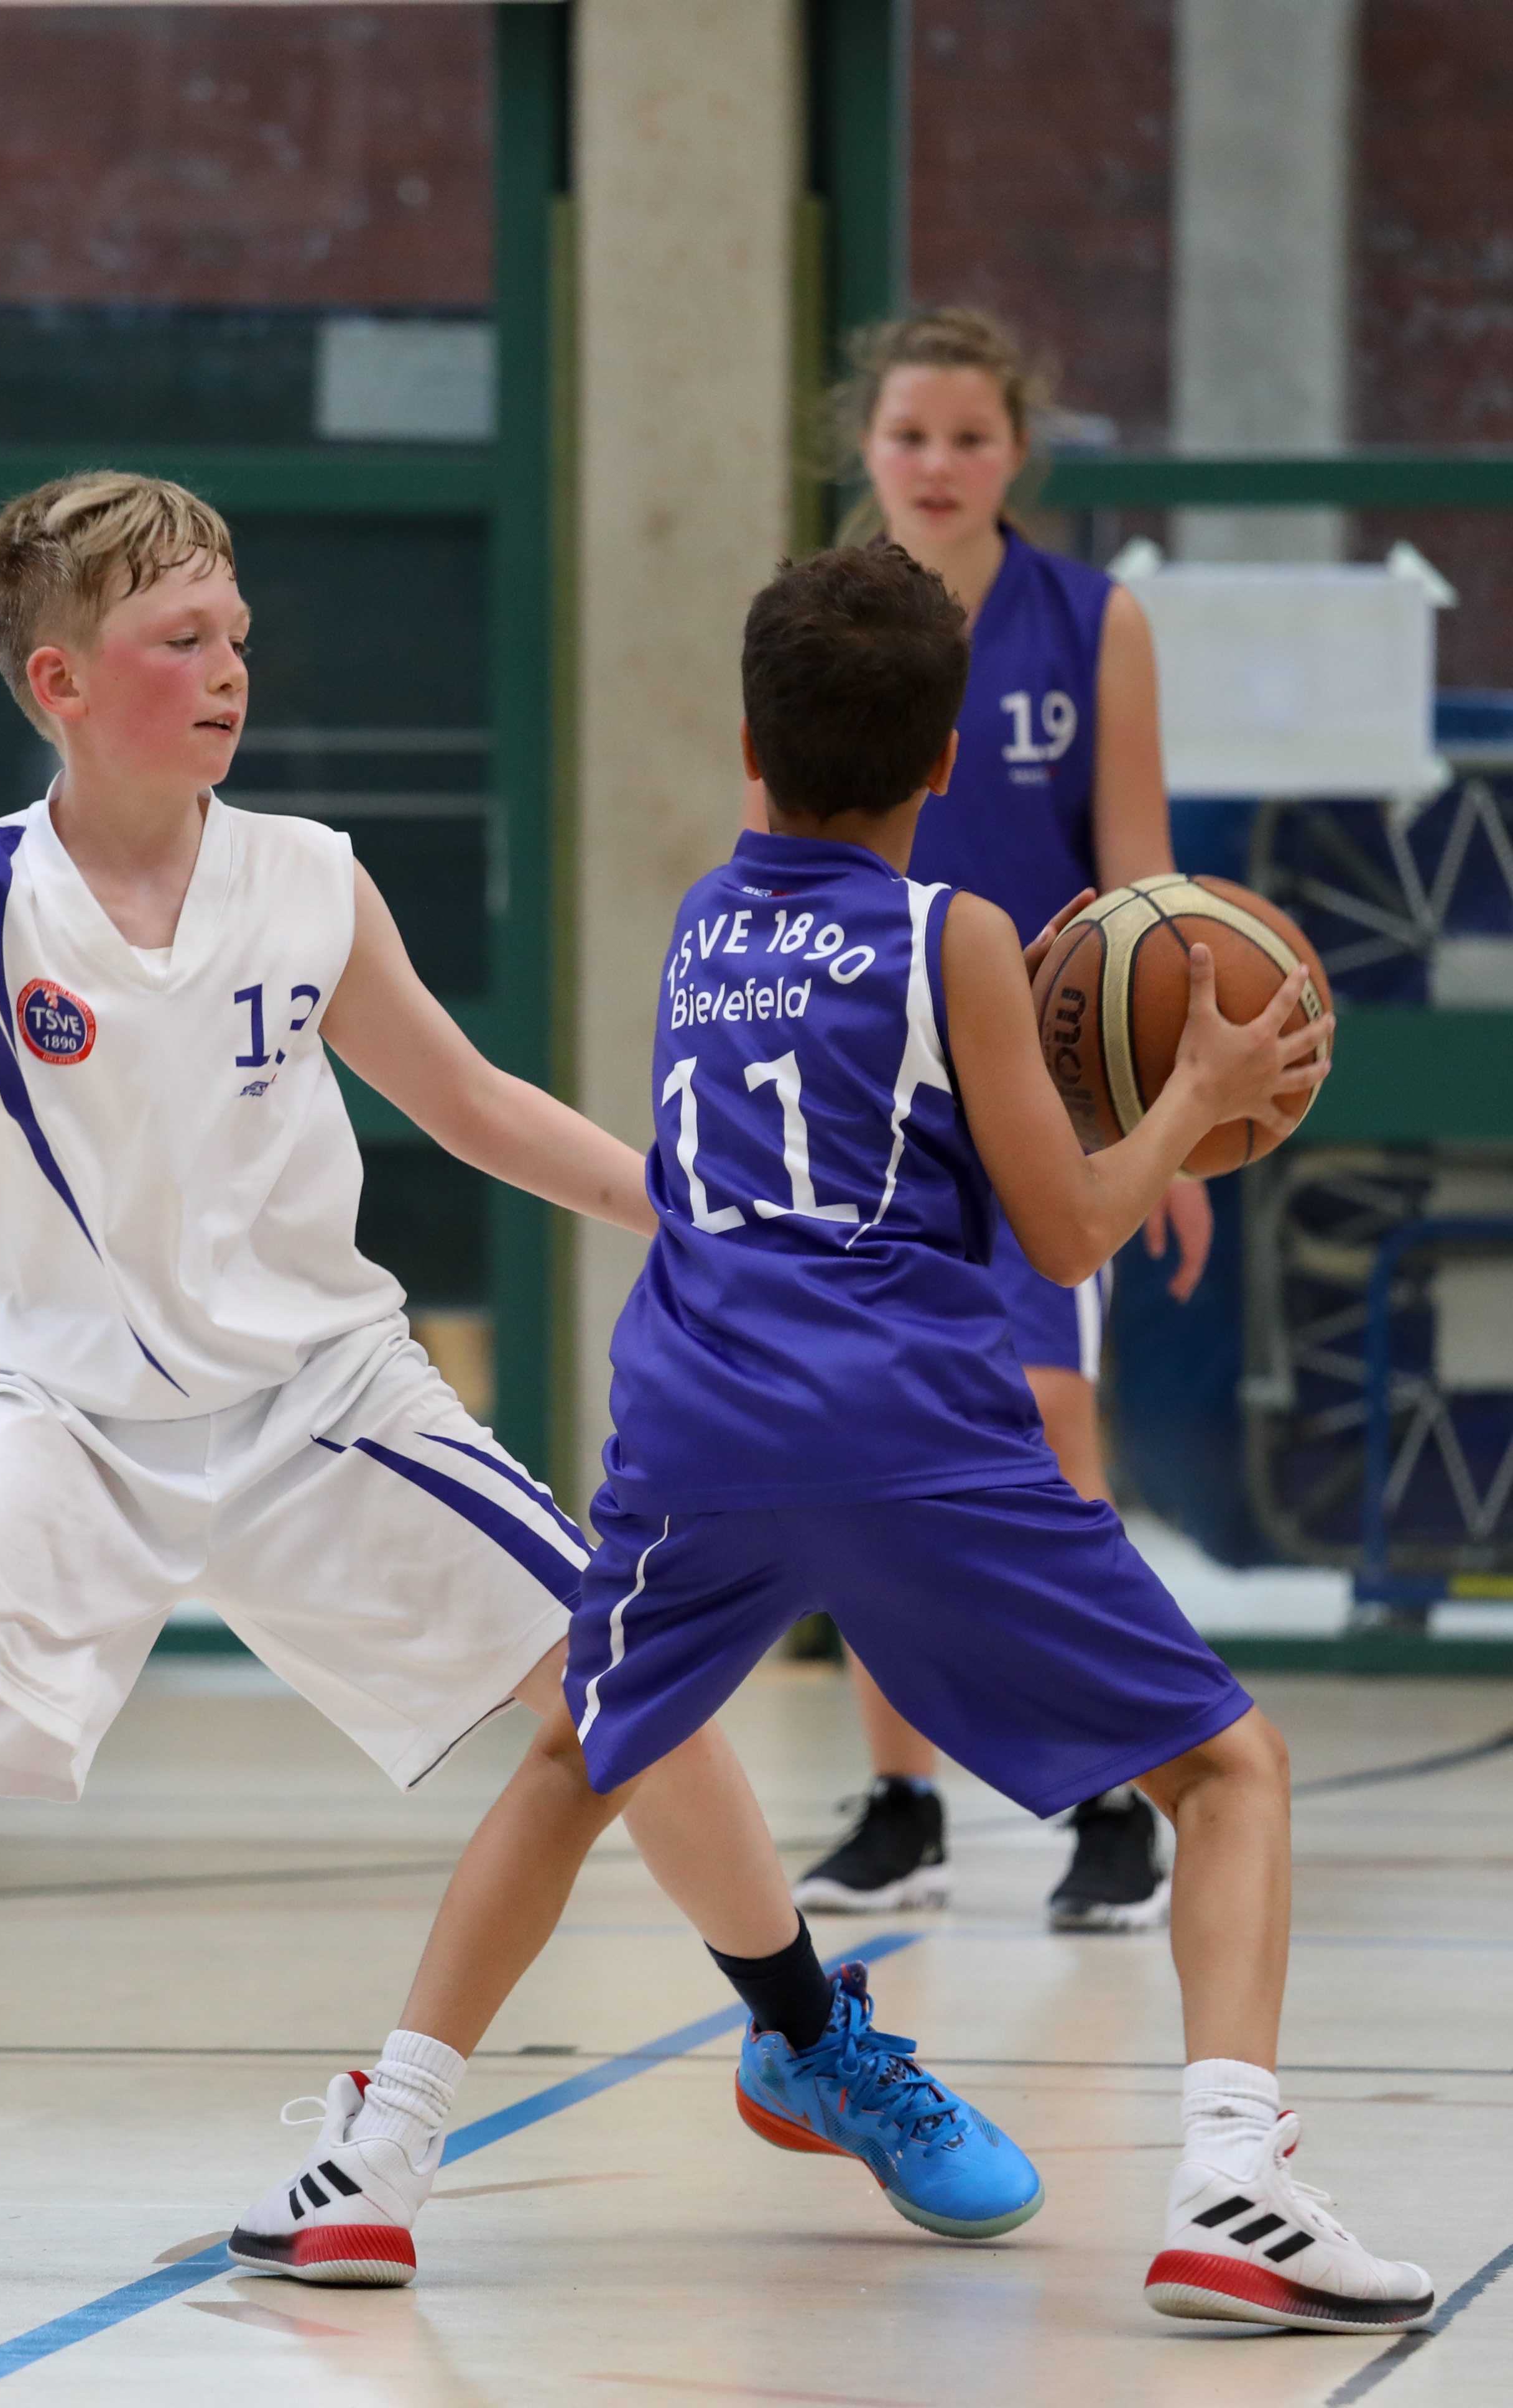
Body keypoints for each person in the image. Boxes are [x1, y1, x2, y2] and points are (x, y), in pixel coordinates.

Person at [0, 473, 1036, 2284]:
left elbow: (469, 1102)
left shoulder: (307, 878)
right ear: (61, 681)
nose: (230, 668)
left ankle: (805, 2036)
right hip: (65, 1422)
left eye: (236, 633)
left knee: (627, 1685)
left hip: (324, 1400)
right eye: (182, 640)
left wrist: (684, 1207)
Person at [568, 543, 1430, 2333]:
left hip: (699, 1417)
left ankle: (387, 2138)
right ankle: (1234, 2178)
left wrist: (1023, 1068)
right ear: (953, 759)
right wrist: (1189, 1097)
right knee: (1235, 1773)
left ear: (748, 747)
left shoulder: (707, 920)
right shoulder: (948, 930)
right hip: (905, 1432)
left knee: (578, 1756)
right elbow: (1065, 1231)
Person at [777, 306, 1213, 1931]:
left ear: (1018, 450)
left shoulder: (1092, 620)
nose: (939, 462)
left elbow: (1141, 880)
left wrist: (1170, 1122)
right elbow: (774, 856)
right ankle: (905, 1804)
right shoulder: (820, 622)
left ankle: (1111, 1794)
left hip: (1037, 1082)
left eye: (970, 435)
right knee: (866, 1442)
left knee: (1045, 1426)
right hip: (857, 1088)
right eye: (910, 434)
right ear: (864, 446)